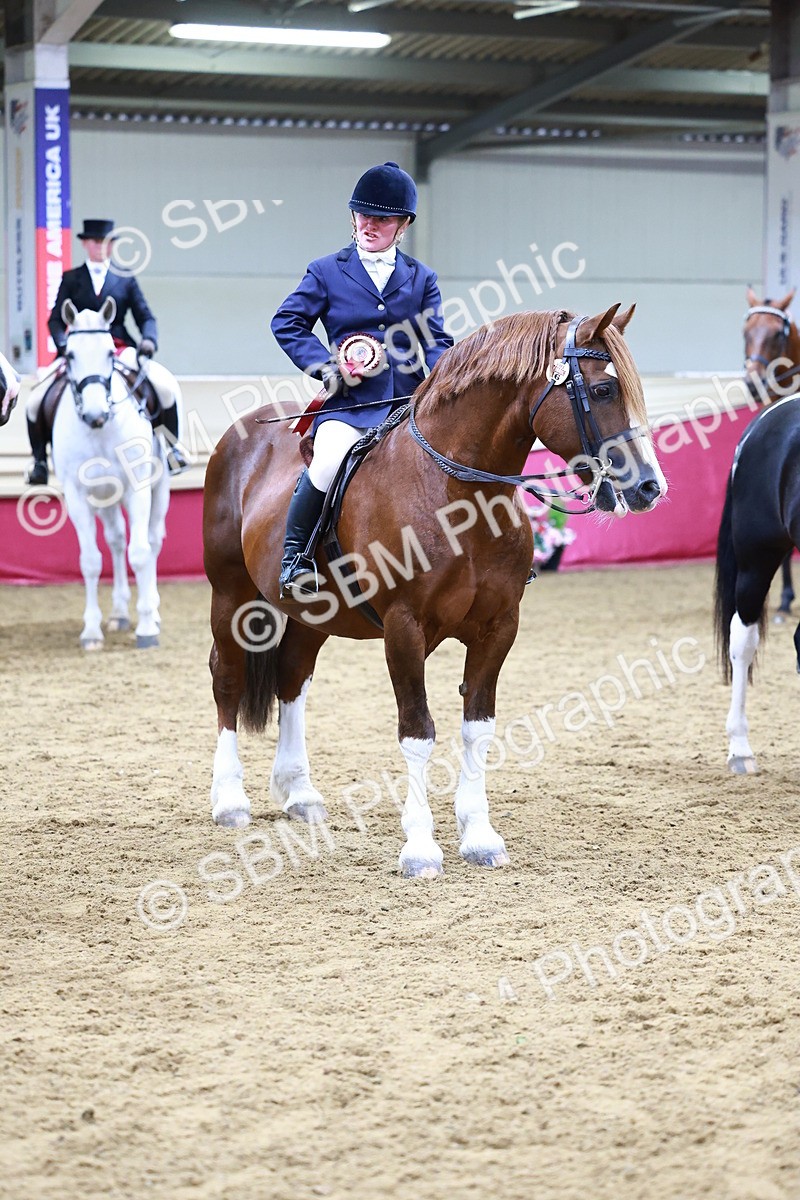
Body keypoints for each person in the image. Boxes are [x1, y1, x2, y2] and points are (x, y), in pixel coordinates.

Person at [271, 160, 453, 600]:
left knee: (460, 454)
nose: (370, 224)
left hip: (408, 405)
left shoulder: (421, 277)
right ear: (352, 216)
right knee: (329, 459)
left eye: (382, 218)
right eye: (363, 214)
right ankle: (296, 558)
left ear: (403, 225)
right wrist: (328, 369)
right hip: (350, 405)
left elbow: (435, 340)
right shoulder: (326, 270)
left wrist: (450, 382)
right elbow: (288, 322)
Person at [25, 217, 186, 485]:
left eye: (105, 242)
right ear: (86, 244)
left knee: (165, 387)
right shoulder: (71, 278)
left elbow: (146, 316)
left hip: (119, 347)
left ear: (111, 246)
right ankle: (39, 462)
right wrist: (63, 344)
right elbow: (55, 319)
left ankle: (172, 448)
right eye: (95, 242)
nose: (100, 247)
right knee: (34, 401)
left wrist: (148, 340)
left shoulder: (125, 279)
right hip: (79, 351)